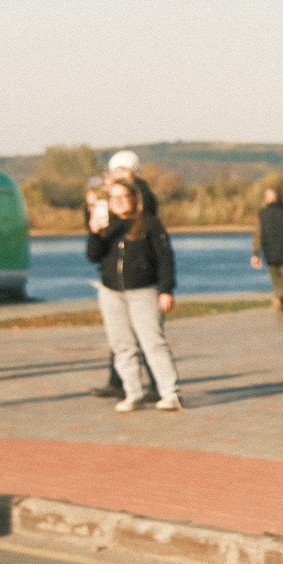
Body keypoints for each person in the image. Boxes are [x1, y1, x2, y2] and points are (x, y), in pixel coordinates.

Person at [86, 174, 183, 412]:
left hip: (143, 291)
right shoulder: (107, 225)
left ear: (134, 198)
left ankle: (170, 393)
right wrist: (95, 232)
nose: (117, 201)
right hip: (112, 292)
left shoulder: (149, 224)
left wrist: (166, 290)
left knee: (153, 342)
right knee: (122, 345)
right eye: (113, 197)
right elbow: (93, 256)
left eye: (123, 196)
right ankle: (133, 393)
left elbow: (165, 259)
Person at [89, 154, 160, 400]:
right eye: (114, 170)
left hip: (138, 277)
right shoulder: (112, 198)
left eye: (122, 170)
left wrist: (132, 185)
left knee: (147, 337)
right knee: (120, 338)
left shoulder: (143, 195)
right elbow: (99, 229)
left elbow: (147, 210)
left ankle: (159, 385)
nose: (117, 175)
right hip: (115, 275)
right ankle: (118, 383)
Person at [252, 185, 283, 322]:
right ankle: (280, 303)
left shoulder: (264, 214)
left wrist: (256, 253)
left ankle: (280, 306)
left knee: (280, 285)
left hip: (272, 255)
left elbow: (258, 235)